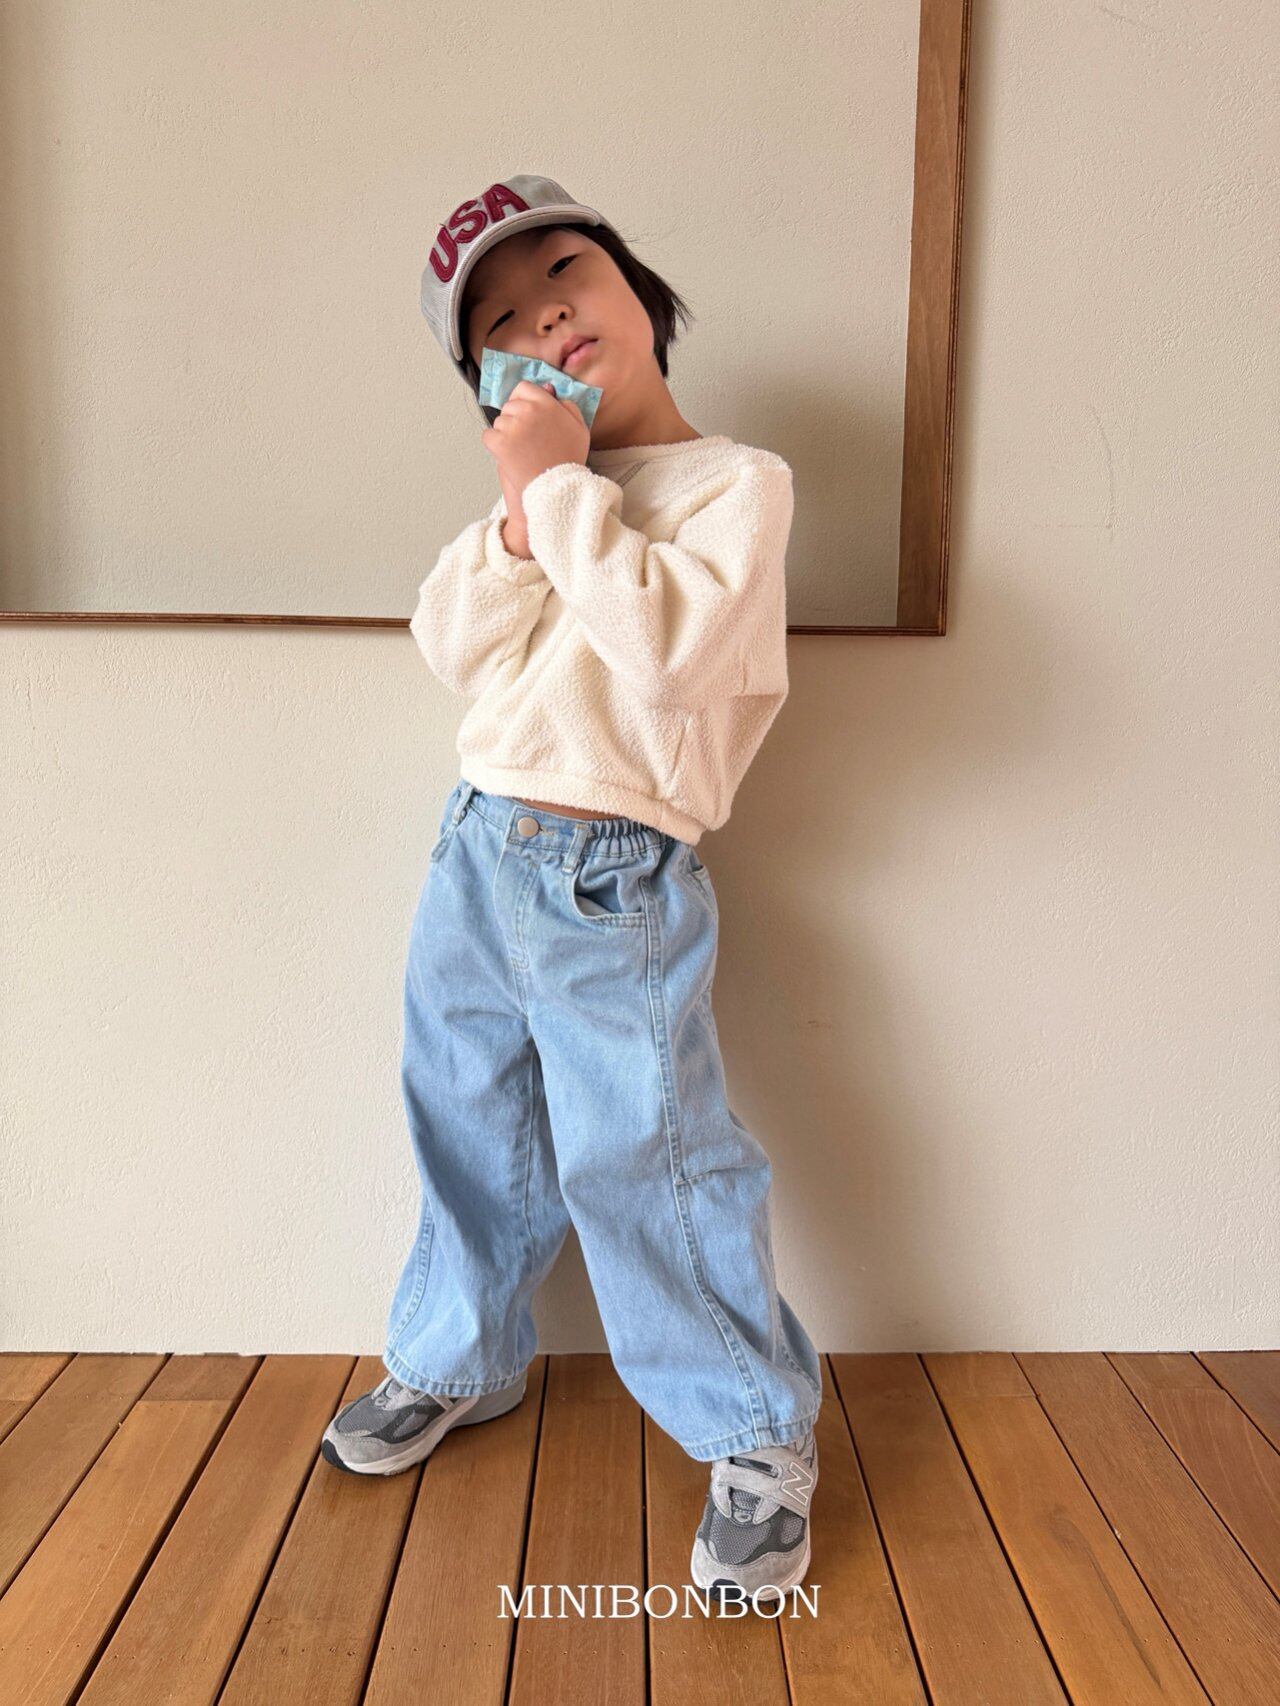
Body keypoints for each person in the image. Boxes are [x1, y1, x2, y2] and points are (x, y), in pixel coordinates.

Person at [321, 175, 822, 1603]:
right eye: (500, 320)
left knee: (649, 1155)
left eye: (566, 273)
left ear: (641, 296)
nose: (542, 313)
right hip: (478, 850)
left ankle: (753, 1428)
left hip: (615, 873)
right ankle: (460, 1354)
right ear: (494, 386)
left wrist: (559, 493)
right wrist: (520, 512)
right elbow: (451, 644)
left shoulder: (735, 485)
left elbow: (673, 655)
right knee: (467, 1119)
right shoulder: (538, 507)